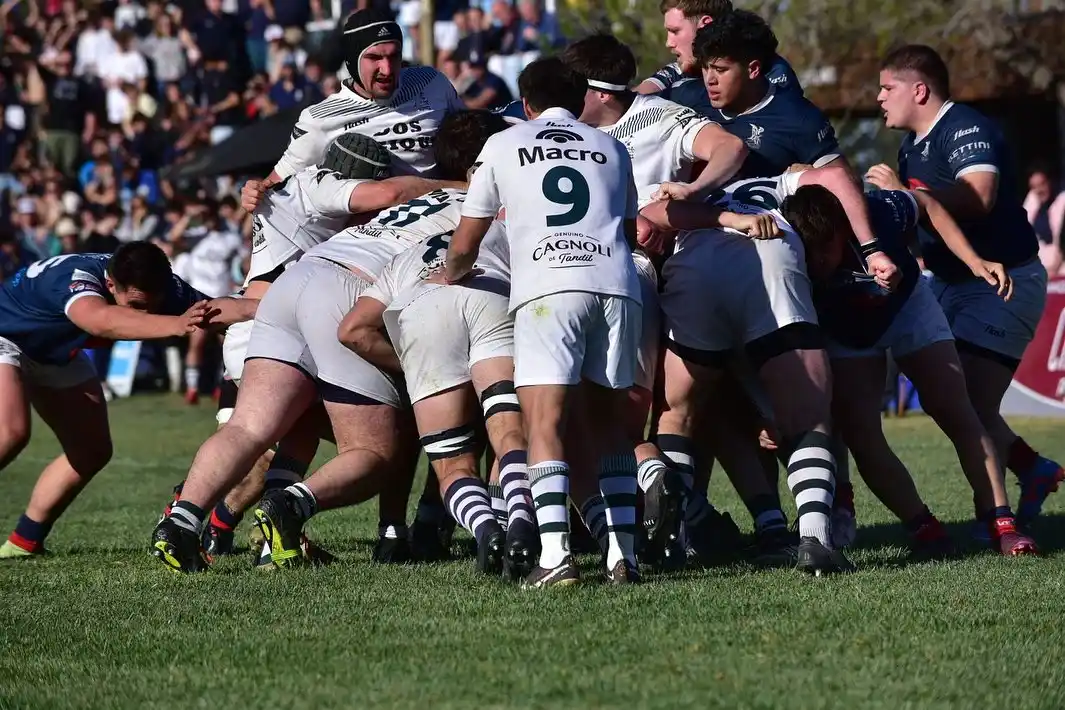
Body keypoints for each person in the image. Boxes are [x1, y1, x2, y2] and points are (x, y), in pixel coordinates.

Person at [150, 111, 497, 573]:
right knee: (375, 454)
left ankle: (180, 522)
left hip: (298, 278)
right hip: (349, 289)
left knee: (247, 428)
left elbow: (396, 194)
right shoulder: (483, 205)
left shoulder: (414, 190)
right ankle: (290, 505)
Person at [443, 57, 643, 587]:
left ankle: (556, 556)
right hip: (616, 285)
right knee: (610, 426)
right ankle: (623, 556)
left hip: (548, 289)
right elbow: (629, 231)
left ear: (527, 104)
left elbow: (466, 241)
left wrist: (451, 274)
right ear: (581, 101)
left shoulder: (503, 143)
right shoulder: (612, 147)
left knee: (544, 424)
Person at [784, 181, 1038, 556]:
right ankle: (924, 528)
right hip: (848, 334)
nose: (818, 262)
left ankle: (1003, 524)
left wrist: (973, 260)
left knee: (955, 408)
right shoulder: (787, 247)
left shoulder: (878, 212)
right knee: (861, 433)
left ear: (844, 227)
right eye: (810, 253)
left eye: (825, 248)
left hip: (908, 306)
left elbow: (926, 203)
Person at [867, 44, 1064, 528]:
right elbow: (921, 214)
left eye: (887, 87)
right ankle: (1030, 470)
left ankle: (993, 519)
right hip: (948, 280)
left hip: (1002, 280)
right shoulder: (911, 146)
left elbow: (979, 196)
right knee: (945, 398)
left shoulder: (966, 128)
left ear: (919, 90)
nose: (879, 97)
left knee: (969, 404)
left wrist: (907, 195)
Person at [0, 243, 253, 559]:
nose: (144, 314)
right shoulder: (75, 278)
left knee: (91, 451)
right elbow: (100, 320)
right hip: (7, 334)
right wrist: (175, 324)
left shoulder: (162, 284)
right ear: (110, 285)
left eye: (152, 305)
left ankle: (24, 542)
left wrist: (263, 308)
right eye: (135, 305)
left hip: (54, 350)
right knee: (9, 433)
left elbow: (213, 310)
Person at [340, 217, 538, 579]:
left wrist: (415, 367)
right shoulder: (505, 228)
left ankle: (486, 531)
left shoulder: (403, 257)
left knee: (452, 465)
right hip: (491, 298)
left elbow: (352, 330)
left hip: (423, 310)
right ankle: (521, 519)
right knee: (511, 433)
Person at [268, 8, 465, 184]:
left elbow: (470, 140)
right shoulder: (318, 120)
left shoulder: (431, 82)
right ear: (352, 61)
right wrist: (256, 191)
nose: (387, 69)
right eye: (374, 57)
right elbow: (276, 188)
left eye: (394, 56)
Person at [682, 10, 842, 181]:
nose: (709, 80)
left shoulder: (801, 119)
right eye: (705, 68)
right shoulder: (686, 97)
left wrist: (809, 179)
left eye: (720, 70)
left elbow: (844, 185)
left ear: (753, 69)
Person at [635, 0, 802, 113]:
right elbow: (634, 101)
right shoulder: (684, 67)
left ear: (705, 24)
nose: (669, 43)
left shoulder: (772, 71)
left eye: (675, 31)